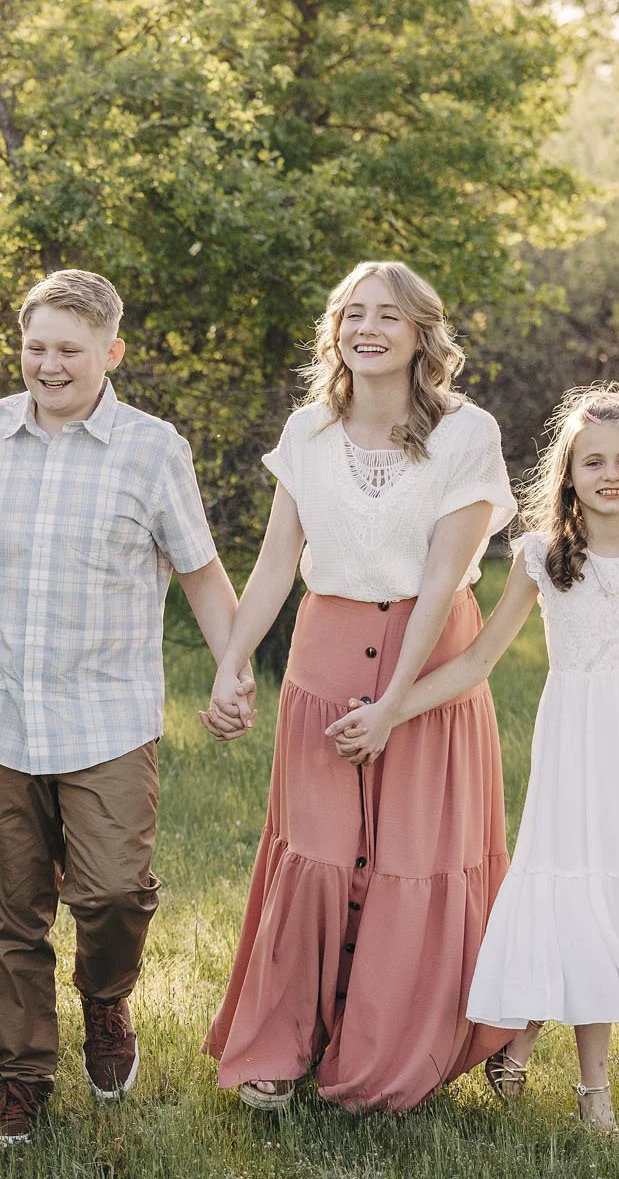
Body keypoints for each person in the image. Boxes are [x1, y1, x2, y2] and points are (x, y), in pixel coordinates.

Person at [328, 388, 619, 1131]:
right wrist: (391, 708)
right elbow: (476, 662)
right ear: (569, 475)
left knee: (618, 897)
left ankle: (549, 1059)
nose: (611, 474)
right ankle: (570, 1076)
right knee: (573, 889)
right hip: (577, 749)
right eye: (593, 461)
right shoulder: (542, 557)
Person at [0, 269, 240, 1147]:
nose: (48, 364)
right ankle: (21, 1077)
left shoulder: (151, 448)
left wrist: (231, 667)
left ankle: (106, 1000)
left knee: (110, 894)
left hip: (106, 715)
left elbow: (201, 570)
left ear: (111, 353)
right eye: (36, 347)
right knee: (10, 908)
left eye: (68, 349)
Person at [202, 260, 518, 1114]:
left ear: (422, 333)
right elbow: (273, 567)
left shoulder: (466, 433)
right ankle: (278, 1045)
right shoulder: (307, 430)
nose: (366, 328)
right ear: (334, 330)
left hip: (427, 665)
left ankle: (396, 1051)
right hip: (327, 655)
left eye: (387, 314)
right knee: (320, 856)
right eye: (352, 313)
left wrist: (394, 706)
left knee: (417, 860)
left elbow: (445, 577)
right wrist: (232, 664)